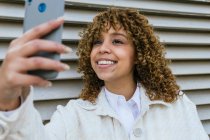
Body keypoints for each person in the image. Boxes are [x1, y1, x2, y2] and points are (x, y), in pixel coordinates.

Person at [0, 8, 208, 140]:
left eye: (117, 41)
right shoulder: (73, 115)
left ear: (139, 55)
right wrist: (8, 101)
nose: (102, 49)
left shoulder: (178, 105)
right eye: (97, 42)